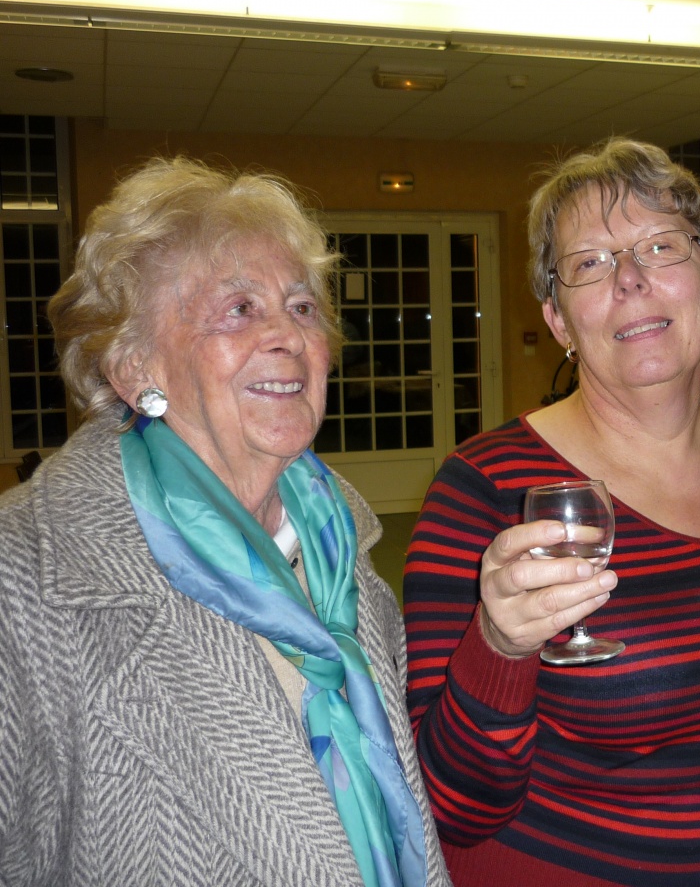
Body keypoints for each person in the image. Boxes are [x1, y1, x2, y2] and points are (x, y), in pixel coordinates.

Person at [403, 137, 700, 887]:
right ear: (560, 321)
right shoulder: (486, 486)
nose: (631, 280)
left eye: (662, 247)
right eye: (590, 265)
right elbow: (450, 806)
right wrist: (499, 647)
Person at [0, 156, 450, 887]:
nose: (287, 336)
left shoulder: (345, 557)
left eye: (303, 308)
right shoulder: (23, 580)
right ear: (132, 366)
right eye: (238, 310)